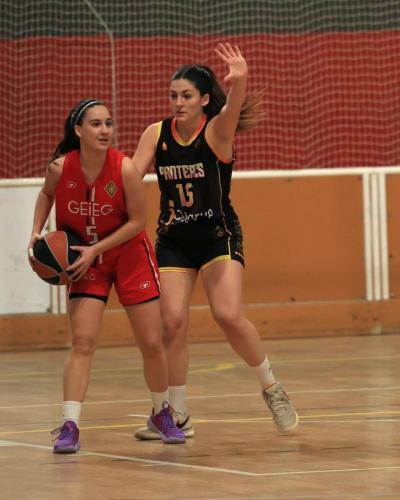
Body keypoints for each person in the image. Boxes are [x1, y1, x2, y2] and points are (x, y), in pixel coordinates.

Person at [131, 43, 299, 440]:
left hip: (217, 236)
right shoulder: (156, 134)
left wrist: (240, 81)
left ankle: (272, 387)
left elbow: (233, 110)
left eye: (186, 95)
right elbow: (131, 176)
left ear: (205, 100)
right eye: (173, 95)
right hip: (174, 238)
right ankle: (178, 414)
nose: (177, 102)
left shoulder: (216, 132)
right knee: (171, 324)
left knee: (227, 314)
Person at [28, 98, 185, 452]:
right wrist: (36, 233)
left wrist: (97, 249)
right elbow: (45, 194)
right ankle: (70, 424)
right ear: (78, 130)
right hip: (84, 259)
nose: (105, 130)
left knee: (151, 342)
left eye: (109, 124)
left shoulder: (125, 168)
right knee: (82, 342)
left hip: (128, 254)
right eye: (96, 124)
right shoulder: (59, 167)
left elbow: (137, 222)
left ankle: (162, 412)